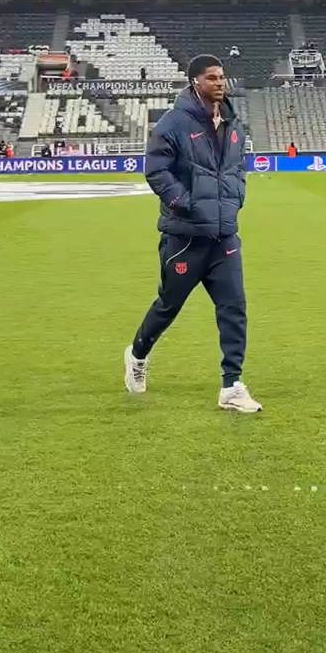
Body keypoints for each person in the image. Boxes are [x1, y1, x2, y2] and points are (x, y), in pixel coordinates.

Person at [124, 54, 260, 412]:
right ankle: (137, 355)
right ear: (195, 82)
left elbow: (237, 169)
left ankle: (232, 385)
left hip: (225, 235)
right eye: (213, 78)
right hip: (184, 237)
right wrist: (184, 203)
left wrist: (236, 199)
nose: (221, 83)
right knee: (168, 305)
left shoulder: (233, 123)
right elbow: (155, 170)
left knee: (234, 307)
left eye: (222, 77)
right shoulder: (173, 123)